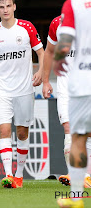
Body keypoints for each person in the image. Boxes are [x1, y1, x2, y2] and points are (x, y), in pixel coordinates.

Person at [0, 0, 44, 189]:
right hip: (1, 90)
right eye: (1, 7)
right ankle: (7, 175)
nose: (5, 10)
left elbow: (41, 52)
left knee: (22, 133)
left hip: (24, 89)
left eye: (8, 6)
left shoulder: (27, 27)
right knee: (4, 130)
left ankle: (19, 175)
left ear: (14, 6)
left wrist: (41, 72)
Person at [54, 0, 91, 207]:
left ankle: (77, 197)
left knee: (78, 138)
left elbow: (65, 40)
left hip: (83, 82)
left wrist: (58, 59)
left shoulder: (74, 3)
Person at [42, 15, 91, 188]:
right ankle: (75, 174)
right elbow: (48, 51)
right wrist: (46, 80)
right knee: (69, 128)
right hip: (65, 87)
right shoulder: (57, 23)